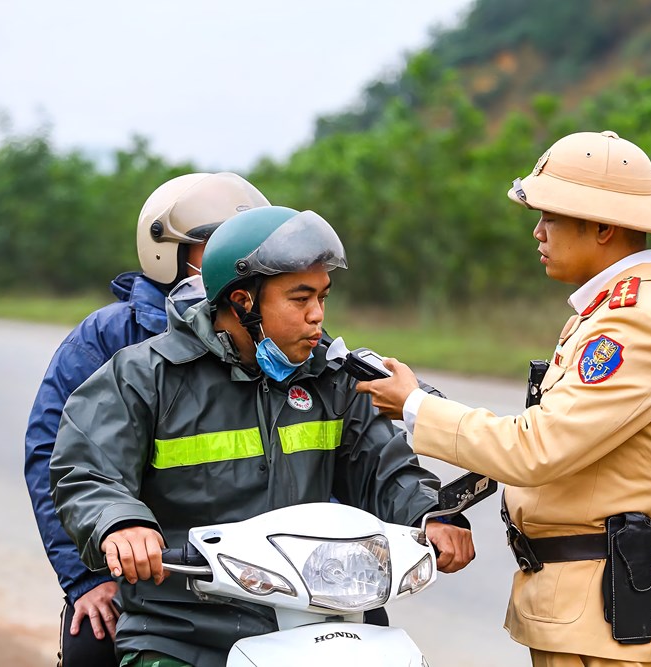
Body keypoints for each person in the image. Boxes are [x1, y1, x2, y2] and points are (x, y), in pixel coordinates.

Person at [49, 205, 476, 667]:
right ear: (242, 303)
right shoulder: (144, 375)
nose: (317, 316)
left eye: (322, 297)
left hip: (323, 622)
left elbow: (382, 467)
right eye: (299, 299)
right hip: (183, 632)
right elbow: (86, 470)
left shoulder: (331, 379)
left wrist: (431, 514)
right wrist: (120, 523)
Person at [357, 131, 651, 667]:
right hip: (586, 608)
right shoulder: (612, 311)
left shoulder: (634, 324)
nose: (538, 232)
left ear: (604, 227)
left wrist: (414, 406)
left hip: (599, 621)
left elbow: (535, 448)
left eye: (551, 218)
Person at [25, 172, 270, 667]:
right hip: (148, 570)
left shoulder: (281, 332)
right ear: (168, 251)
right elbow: (57, 460)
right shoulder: (110, 338)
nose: (244, 264)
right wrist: (87, 579)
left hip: (267, 570)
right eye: (218, 246)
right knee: (92, 645)